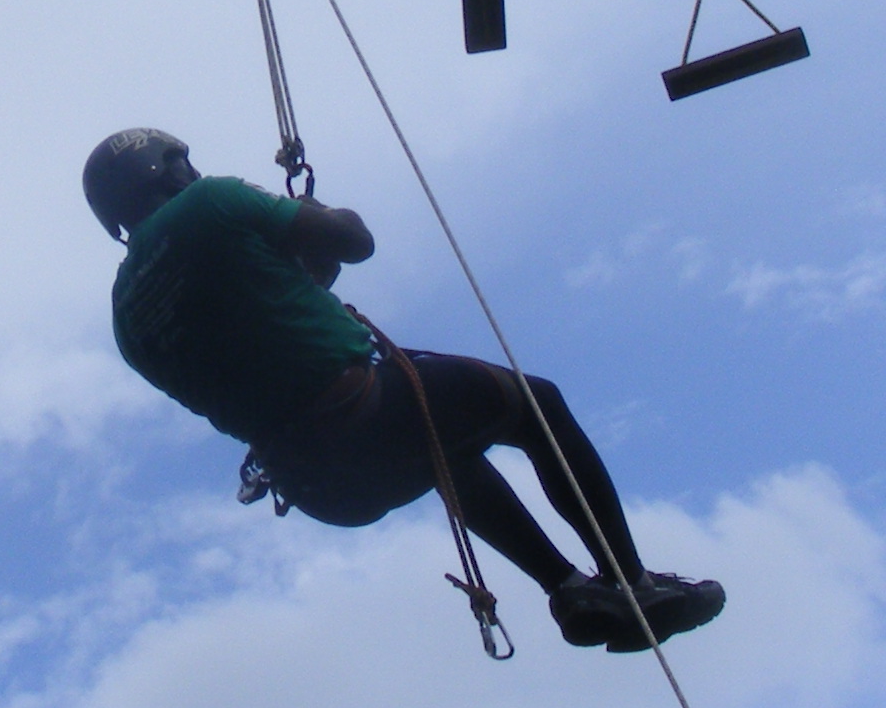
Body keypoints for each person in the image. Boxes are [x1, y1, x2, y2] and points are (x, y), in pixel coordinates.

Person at [84, 128, 725, 651]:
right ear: (164, 173)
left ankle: (568, 588)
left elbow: (260, 327)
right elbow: (353, 242)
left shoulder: (126, 317)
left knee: (452, 450)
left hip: (321, 485)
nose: (192, 171)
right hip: (367, 414)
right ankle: (631, 579)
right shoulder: (211, 205)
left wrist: (294, 269)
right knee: (538, 405)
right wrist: (309, 212)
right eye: (181, 162)